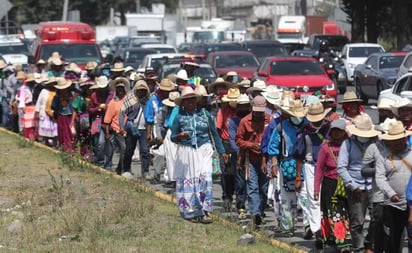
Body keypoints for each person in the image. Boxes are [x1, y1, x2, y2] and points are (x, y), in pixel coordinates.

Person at [171, 86, 227, 223]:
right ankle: (192, 211)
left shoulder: (205, 115)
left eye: (192, 100)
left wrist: (222, 151)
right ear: (183, 103)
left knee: (206, 178)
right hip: (187, 150)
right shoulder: (179, 117)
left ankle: (205, 210)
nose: (190, 102)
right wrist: (180, 136)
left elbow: (214, 133)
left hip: (205, 148)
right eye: (187, 100)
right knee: (191, 179)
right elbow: (172, 137)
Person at [337, 114, 380, 253]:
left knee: (377, 218)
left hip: (373, 187)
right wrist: (353, 185)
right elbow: (341, 167)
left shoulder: (375, 144)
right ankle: (359, 248)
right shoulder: (347, 144)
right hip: (355, 187)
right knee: (358, 222)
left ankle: (369, 242)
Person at [293, 102, 331, 244]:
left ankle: (329, 228)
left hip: (328, 169)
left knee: (328, 199)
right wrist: (298, 177)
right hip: (311, 168)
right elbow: (299, 155)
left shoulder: (330, 130)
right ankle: (317, 232)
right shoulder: (304, 132)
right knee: (313, 200)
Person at [268, 99, 307, 234]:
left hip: (305, 164)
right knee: (286, 196)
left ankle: (309, 226)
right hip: (286, 163)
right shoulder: (281, 127)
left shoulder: (307, 126)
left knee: (305, 195)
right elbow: (273, 147)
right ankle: (287, 225)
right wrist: (273, 164)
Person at [314, 119, 352, 252]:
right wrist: (316, 189)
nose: (336, 134)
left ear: (344, 133)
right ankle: (340, 242)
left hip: (346, 183)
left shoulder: (349, 145)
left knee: (345, 212)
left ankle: (344, 239)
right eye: (334, 131)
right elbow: (319, 169)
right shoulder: (325, 147)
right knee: (333, 212)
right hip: (330, 184)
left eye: (339, 131)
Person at [376, 120, 412, 252]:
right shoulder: (383, 156)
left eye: (400, 139)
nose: (397, 142)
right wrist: (390, 193)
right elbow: (380, 178)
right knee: (393, 239)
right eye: (394, 140)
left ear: (405, 138)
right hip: (393, 205)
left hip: (411, 204)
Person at [236, 95, 271, 229]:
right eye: (256, 111)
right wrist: (251, 145)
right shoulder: (245, 121)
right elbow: (238, 140)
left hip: (265, 158)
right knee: (252, 187)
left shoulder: (270, 120)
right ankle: (254, 213)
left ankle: (260, 212)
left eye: (261, 111)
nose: (258, 114)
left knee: (264, 188)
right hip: (250, 158)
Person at [119, 80, 151, 176]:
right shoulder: (130, 100)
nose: (142, 93)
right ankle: (126, 169)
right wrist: (122, 127)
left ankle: (145, 171)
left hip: (144, 129)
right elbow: (122, 113)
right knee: (129, 149)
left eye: (143, 91)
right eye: (140, 90)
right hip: (131, 128)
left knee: (145, 151)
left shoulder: (148, 101)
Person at [217, 87, 240, 211]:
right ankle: (227, 195)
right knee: (226, 172)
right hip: (226, 143)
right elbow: (219, 129)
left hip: (239, 144)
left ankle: (239, 197)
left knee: (238, 172)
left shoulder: (242, 112)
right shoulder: (223, 112)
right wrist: (222, 150)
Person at [228, 93, 250, 216]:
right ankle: (240, 204)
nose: (244, 108)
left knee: (252, 181)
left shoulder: (253, 119)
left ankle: (252, 206)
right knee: (240, 181)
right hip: (239, 153)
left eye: (246, 106)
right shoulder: (232, 121)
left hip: (252, 153)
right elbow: (232, 139)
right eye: (241, 106)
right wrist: (239, 152)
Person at [103, 77, 129, 174]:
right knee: (123, 148)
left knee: (126, 150)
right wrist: (107, 132)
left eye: (122, 88)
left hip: (128, 129)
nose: (121, 91)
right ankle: (121, 169)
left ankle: (120, 167)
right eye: (119, 89)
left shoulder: (128, 100)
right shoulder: (113, 103)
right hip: (117, 129)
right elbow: (107, 119)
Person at [88, 76, 114, 168]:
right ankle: (100, 161)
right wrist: (98, 108)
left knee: (110, 144)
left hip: (110, 122)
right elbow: (90, 110)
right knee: (100, 142)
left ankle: (109, 162)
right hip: (99, 122)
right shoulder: (94, 96)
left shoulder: (111, 95)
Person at [51, 77, 75, 152]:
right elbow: (53, 106)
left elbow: (74, 109)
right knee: (61, 132)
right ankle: (64, 148)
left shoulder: (72, 96)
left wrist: (73, 120)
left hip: (69, 117)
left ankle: (70, 149)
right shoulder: (57, 96)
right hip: (60, 116)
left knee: (69, 133)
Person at [71, 79, 93, 159]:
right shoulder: (79, 98)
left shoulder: (92, 97)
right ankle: (82, 151)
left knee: (90, 136)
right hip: (82, 119)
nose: (89, 90)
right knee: (81, 135)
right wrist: (73, 121)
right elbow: (74, 109)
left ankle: (90, 152)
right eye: (87, 88)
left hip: (92, 118)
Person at [35, 77, 58, 147]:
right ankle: (46, 143)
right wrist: (37, 112)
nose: (52, 85)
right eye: (51, 84)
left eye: (54, 84)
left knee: (55, 131)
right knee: (45, 131)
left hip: (54, 114)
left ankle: (55, 144)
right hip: (44, 114)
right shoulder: (44, 91)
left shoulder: (57, 92)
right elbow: (39, 102)